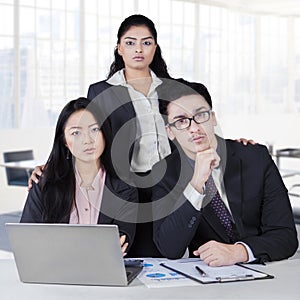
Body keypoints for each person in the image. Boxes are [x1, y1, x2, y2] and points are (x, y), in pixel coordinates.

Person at [27, 15, 254, 258]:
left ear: (155, 48)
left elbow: (193, 120)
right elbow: (88, 132)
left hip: (171, 185)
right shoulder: (101, 91)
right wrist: (54, 164)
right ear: (119, 48)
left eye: (146, 43)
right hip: (127, 189)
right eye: (130, 42)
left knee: (170, 255)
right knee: (130, 255)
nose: (138, 49)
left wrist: (228, 144)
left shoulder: (172, 87)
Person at [151, 78, 298, 266]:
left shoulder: (254, 157)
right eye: (181, 121)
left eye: (201, 115)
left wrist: (239, 252)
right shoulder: (164, 174)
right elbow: (169, 249)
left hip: (266, 270)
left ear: (212, 118)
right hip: (209, 279)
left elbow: (286, 236)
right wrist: (196, 184)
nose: (194, 128)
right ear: (169, 132)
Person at [21, 97, 138, 255]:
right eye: (76, 133)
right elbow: (26, 239)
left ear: (105, 133)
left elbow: (122, 243)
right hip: (52, 272)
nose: (87, 140)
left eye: (95, 129)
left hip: (103, 273)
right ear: (64, 141)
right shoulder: (44, 182)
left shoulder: (125, 187)